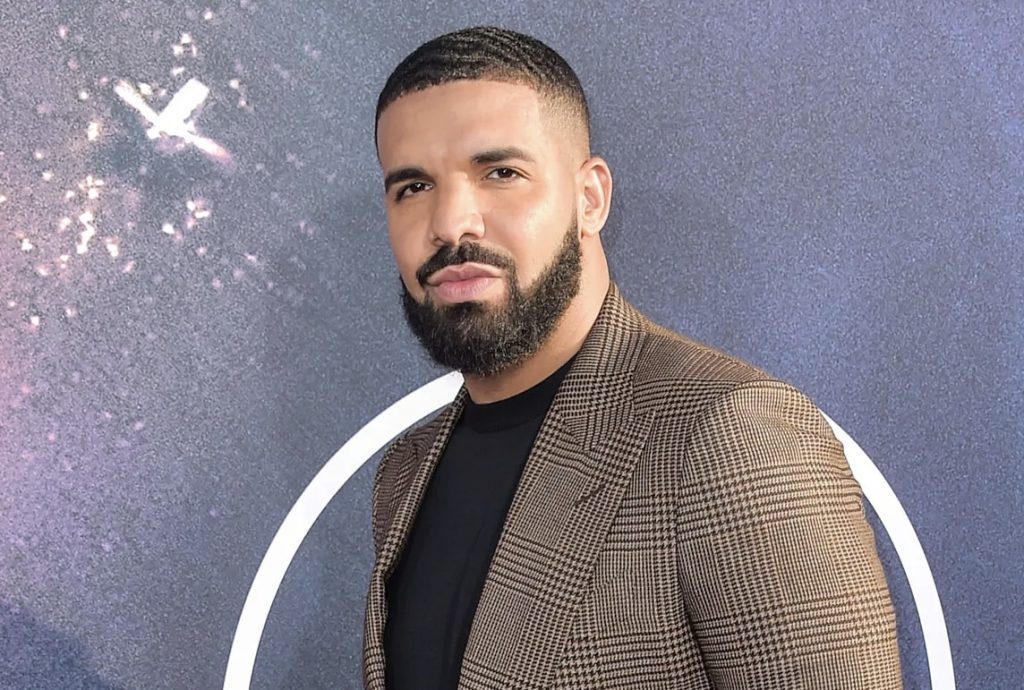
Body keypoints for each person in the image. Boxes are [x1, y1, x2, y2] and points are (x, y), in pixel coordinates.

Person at [363, 25, 902, 690]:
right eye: (413, 187)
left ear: (590, 198)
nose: (451, 223)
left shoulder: (729, 436)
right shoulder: (406, 470)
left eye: (500, 173)